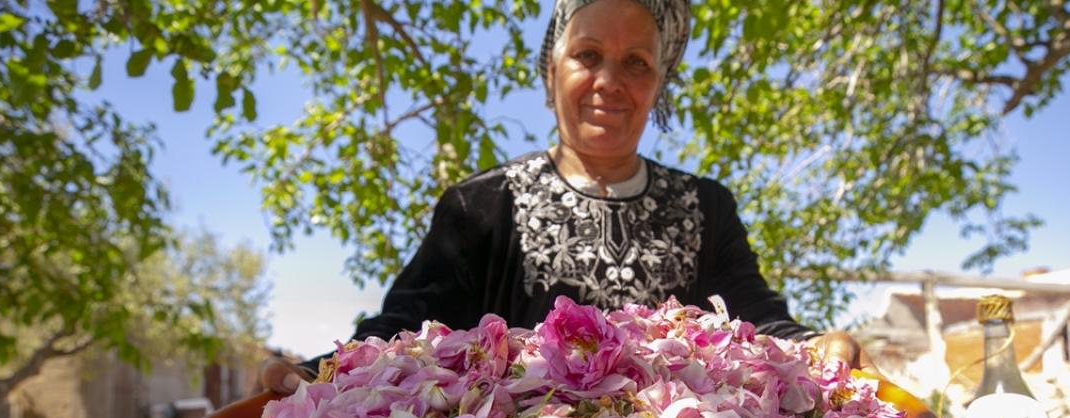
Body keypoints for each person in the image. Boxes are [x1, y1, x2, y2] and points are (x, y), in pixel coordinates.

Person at [260, 0, 878, 395]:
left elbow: (754, 318)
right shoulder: (480, 207)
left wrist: (815, 348)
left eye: (637, 63)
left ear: (657, 86)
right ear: (550, 69)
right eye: (587, 55)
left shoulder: (705, 206)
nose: (610, 81)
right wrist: (318, 374)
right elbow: (403, 331)